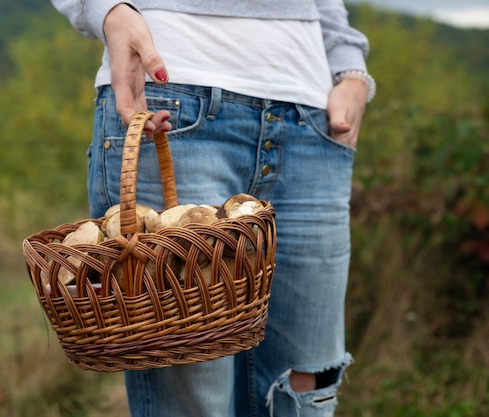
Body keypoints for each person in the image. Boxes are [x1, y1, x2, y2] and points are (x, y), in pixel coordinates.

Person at [48, 1, 375, 416]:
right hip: (171, 103)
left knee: (304, 387)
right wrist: (109, 12)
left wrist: (351, 70)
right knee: (191, 392)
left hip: (309, 120)